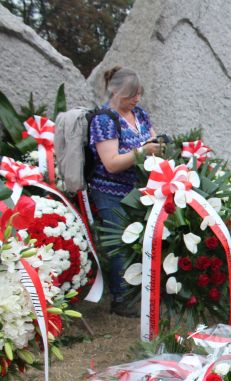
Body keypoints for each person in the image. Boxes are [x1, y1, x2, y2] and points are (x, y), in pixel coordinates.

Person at [89, 66, 160, 317]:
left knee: (139, 242)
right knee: (119, 243)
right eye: (131, 94)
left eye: (139, 93)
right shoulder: (104, 120)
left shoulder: (139, 113)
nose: (136, 99)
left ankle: (141, 291)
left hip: (139, 190)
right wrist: (144, 151)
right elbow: (111, 163)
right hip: (110, 191)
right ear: (116, 91)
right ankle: (121, 298)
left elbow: (152, 140)